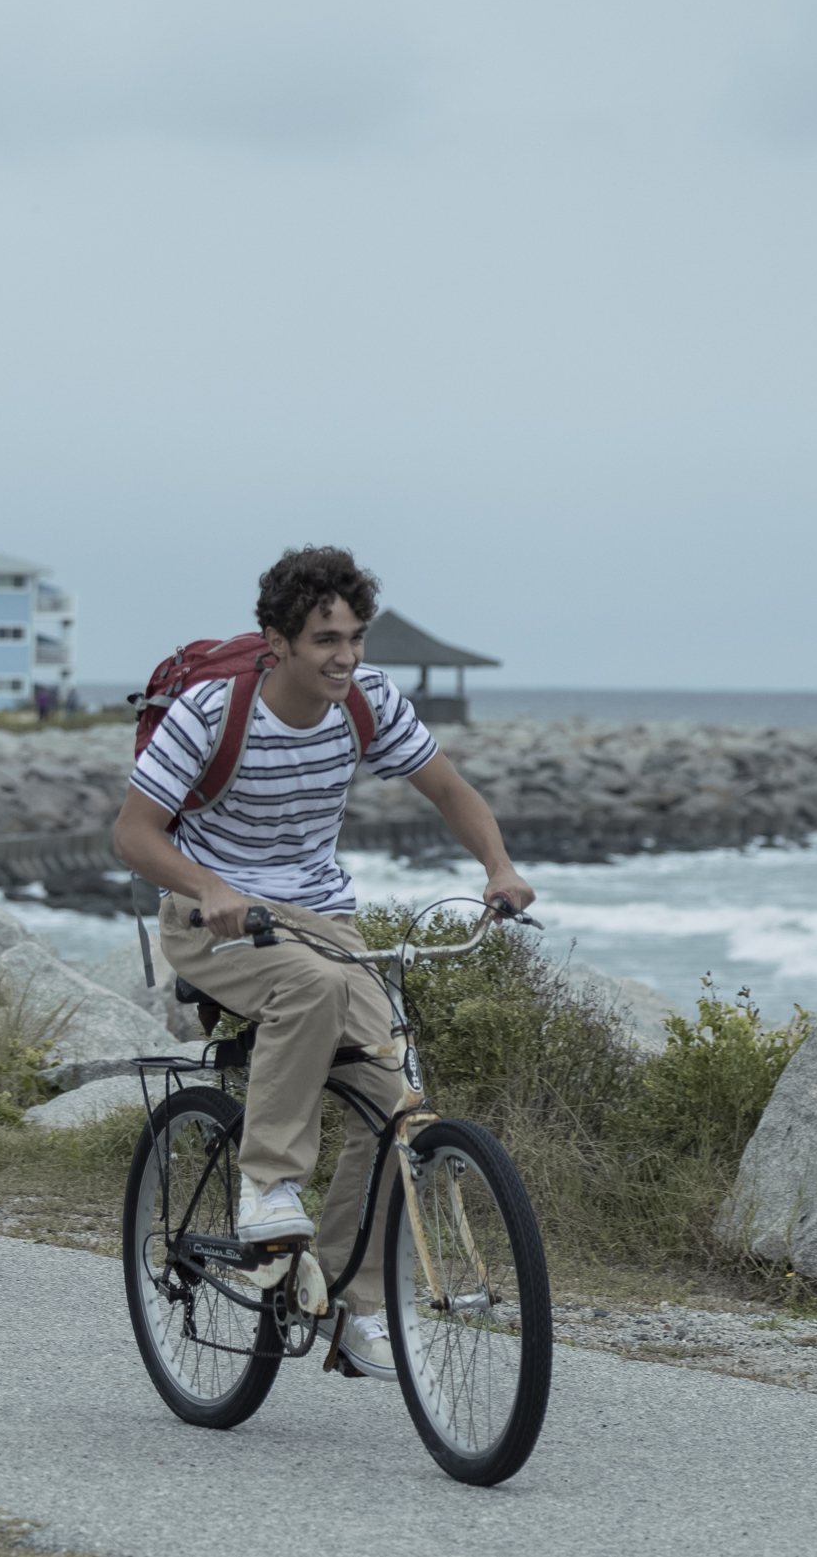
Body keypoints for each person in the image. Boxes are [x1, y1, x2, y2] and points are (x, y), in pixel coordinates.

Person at [109, 545, 534, 1384]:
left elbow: (449, 788)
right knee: (312, 984)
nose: (346, 655)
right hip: (211, 917)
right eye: (325, 639)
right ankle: (266, 1186)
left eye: (356, 635)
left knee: (395, 1097)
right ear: (277, 640)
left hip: (323, 919)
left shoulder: (368, 702)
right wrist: (210, 886)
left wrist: (499, 867)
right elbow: (133, 834)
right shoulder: (210, 711)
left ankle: (350, 1302)